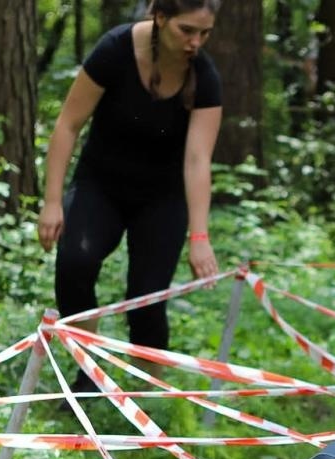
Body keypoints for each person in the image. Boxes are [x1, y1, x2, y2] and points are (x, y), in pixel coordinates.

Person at [37, 0, 222, 363]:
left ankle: (148, 396)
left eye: (204, 33)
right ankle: (85, 371)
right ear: (160, 17)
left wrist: (199, 237)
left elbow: (198, 160)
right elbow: (68, 125)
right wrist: (52, 201)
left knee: (147, 298)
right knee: (75, 263)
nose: (195, 42)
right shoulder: (114, 50)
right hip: (101, 184)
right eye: (186, 30)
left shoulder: (204, 76)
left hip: (162, 197)